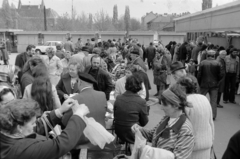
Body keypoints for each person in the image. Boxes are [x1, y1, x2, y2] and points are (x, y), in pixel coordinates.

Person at [0, 98, 89, 159]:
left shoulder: (9, 132)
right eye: (32, 123)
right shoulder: (21, 150)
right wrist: (78, 115)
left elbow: (37, 128)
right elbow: (60, 145)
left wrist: (60, 111)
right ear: (19, 127)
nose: (35, 125)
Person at [132, 84, 194, 159]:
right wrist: (139, 129)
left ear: (176, 106)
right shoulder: (167, 118)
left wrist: (151, 152)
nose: (161, 108)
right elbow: (152, 135)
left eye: (164, 105)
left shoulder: (185, 131)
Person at [62, 73, 107, 144]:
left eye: (77, 81)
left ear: (80, 83)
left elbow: (65, 122)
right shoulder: (102, 95)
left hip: (82, 140)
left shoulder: (74, 99)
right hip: (102, 136)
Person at [177, 75, 214, 159]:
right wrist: (212, 140)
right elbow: (211, 123)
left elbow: (180, 126)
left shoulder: (185, 102)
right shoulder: (204, 98)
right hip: (206, 143)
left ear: (182, 88)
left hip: (190, 147)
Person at [114, 74, 149, 144]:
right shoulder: (141, 101)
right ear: (139, 86)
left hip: (119, 131)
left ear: (126, 85)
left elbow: (115, 116)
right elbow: (144, 122)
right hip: (132, 133)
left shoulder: (118, 98)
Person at [198, 50, 223, 120]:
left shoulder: (203, 63)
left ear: (207, 55)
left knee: (200, 100)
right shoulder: (218, 63)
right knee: (213, 101)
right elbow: (221, 75)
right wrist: (217, 80)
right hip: (214, 84)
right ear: (214, 56)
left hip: (204, 84)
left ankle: (199, 113)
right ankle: (213, 115)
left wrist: (199, 83)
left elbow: (199, 74)